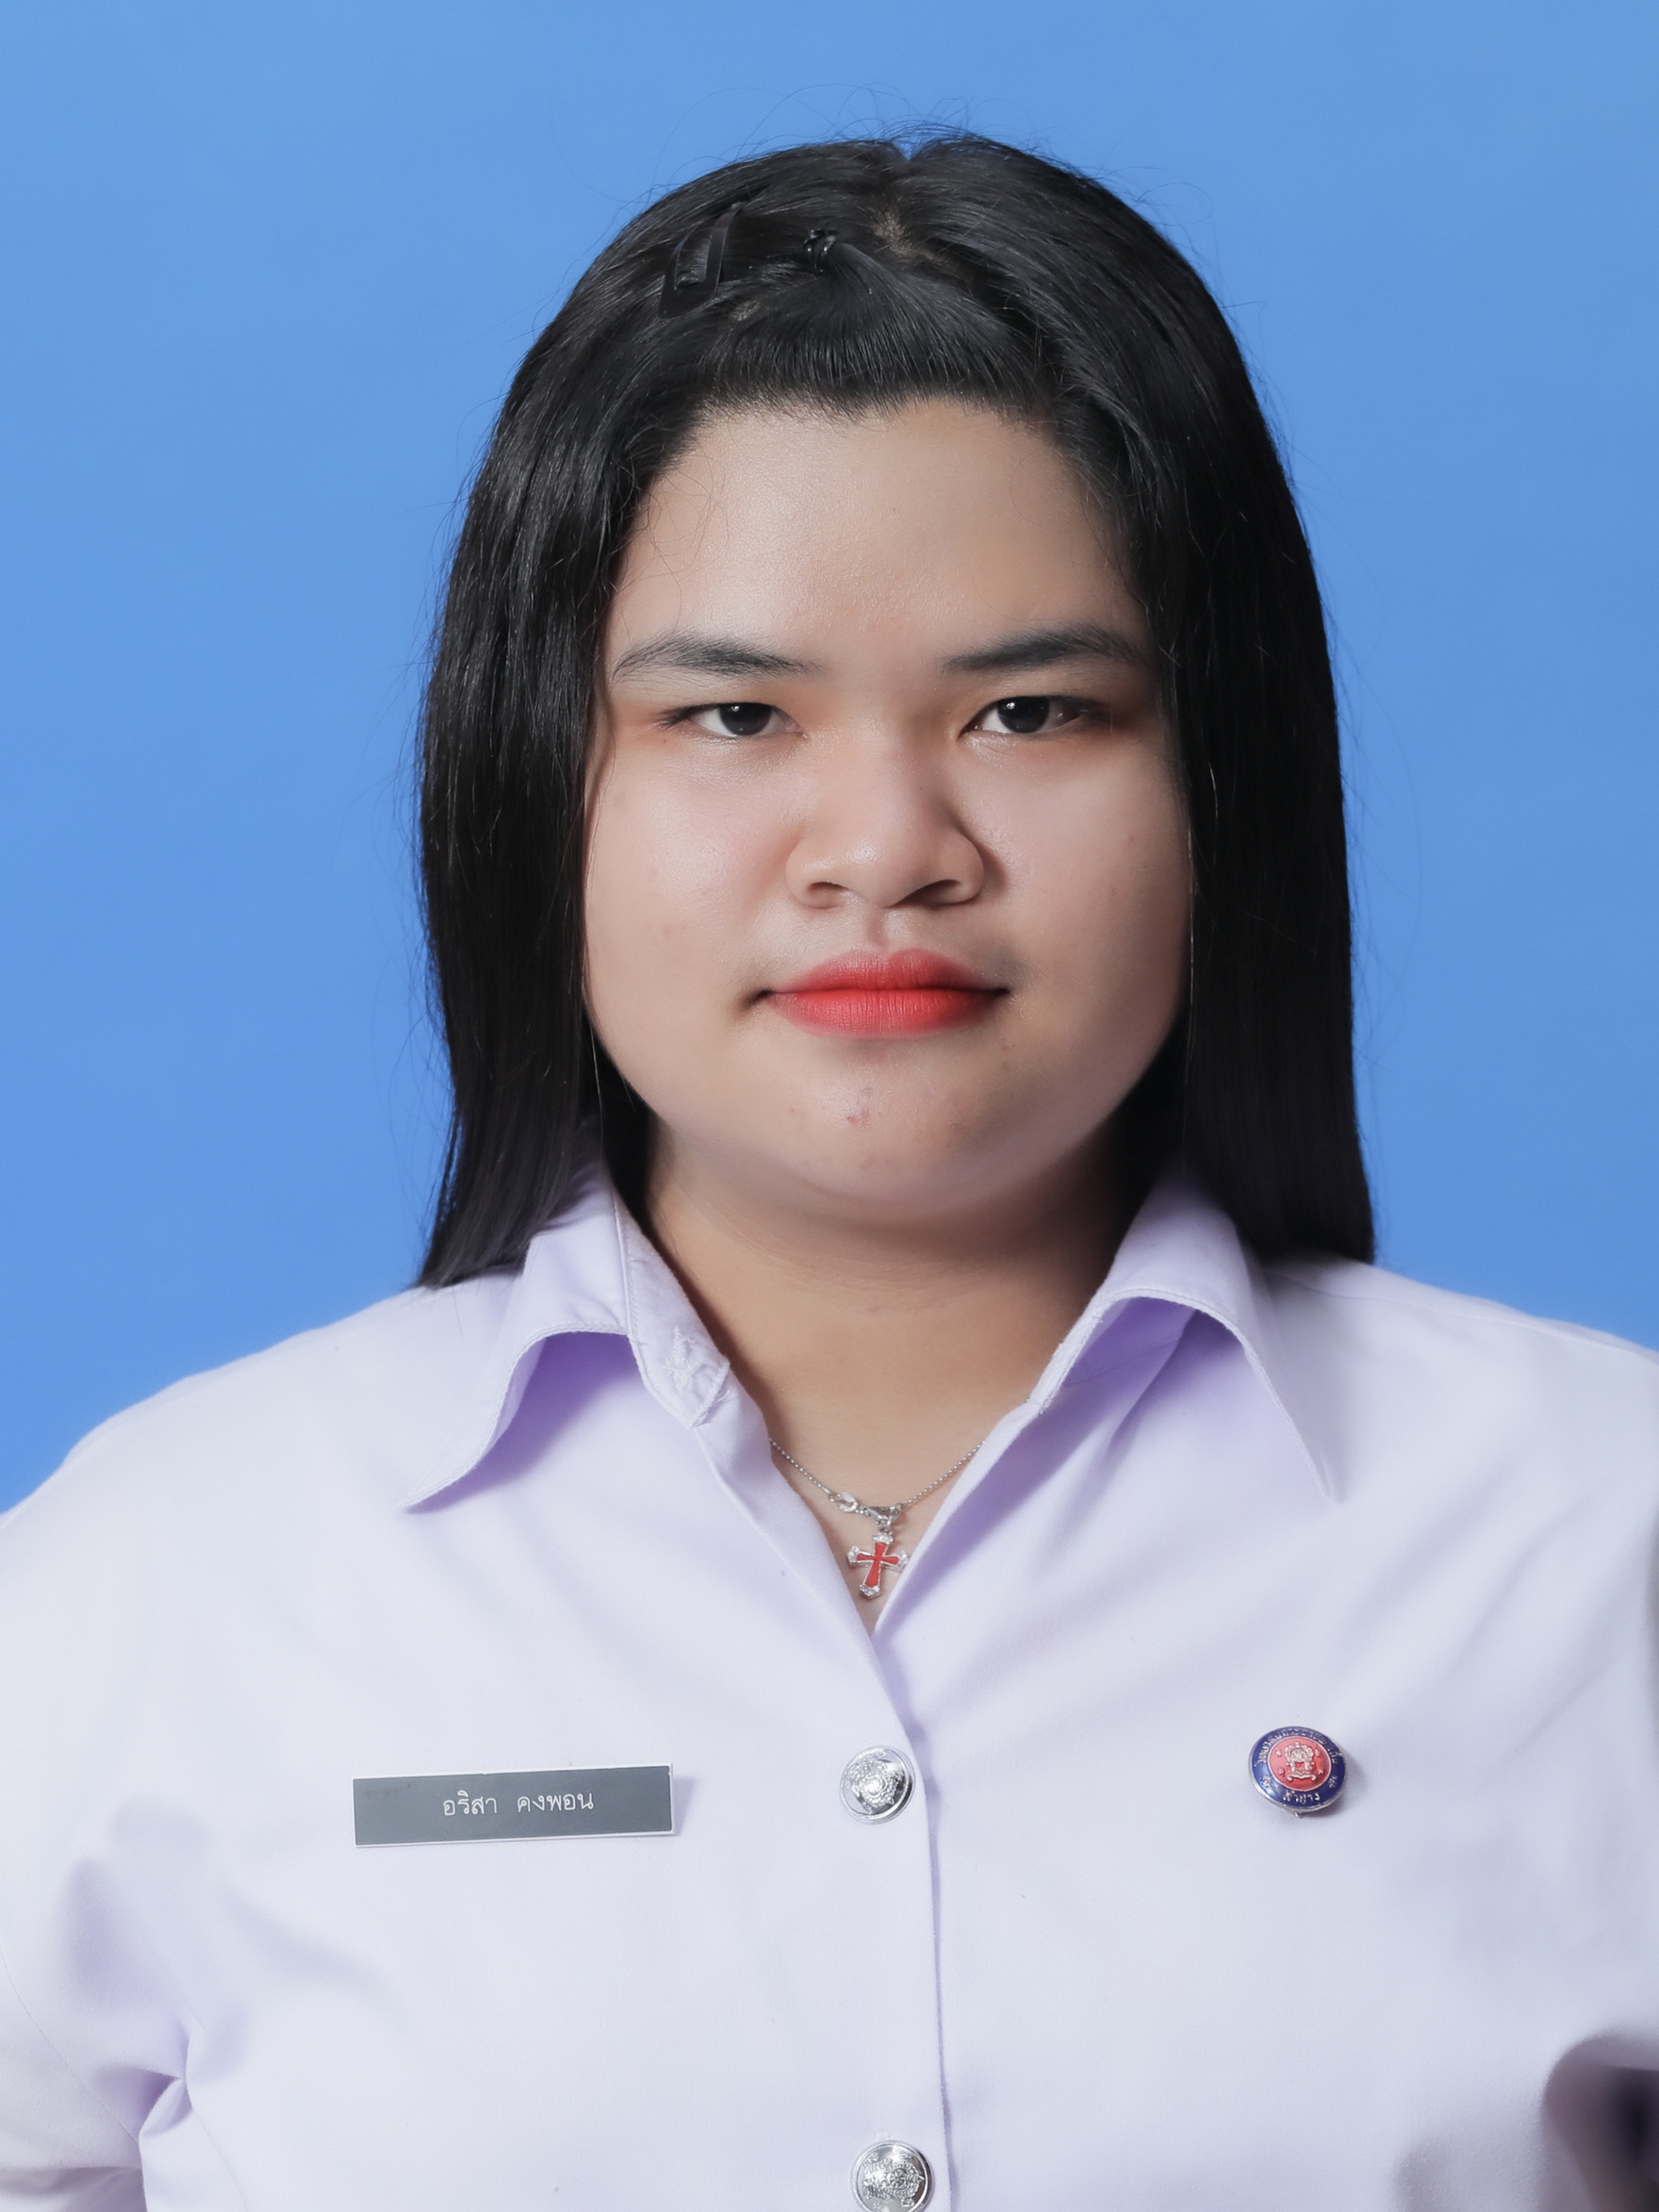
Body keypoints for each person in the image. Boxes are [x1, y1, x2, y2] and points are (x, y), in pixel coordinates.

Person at [1, 132, 1655, 2212]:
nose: (884, 846)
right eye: (732, 717)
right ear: (535, 779)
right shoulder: (167, 1578)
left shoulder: (1594, 1536)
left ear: (1220, 781)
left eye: (1032, 710)